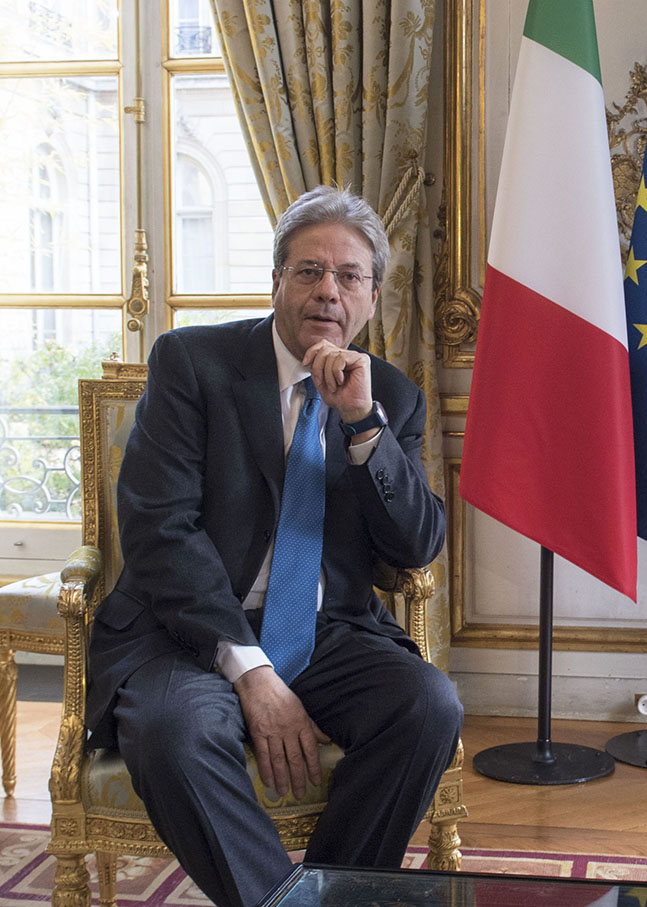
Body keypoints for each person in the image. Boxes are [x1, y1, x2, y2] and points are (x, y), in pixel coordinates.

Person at [85, 185, 463, 907]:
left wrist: (363, 427)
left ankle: (332, 891)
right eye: (308, 270)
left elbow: (414, 546)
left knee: (426, 706)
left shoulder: (391, 395)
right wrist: (249, 669)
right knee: (175, 733)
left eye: (348, 275)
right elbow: (159, 531)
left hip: (330, 632)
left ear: (372, 297)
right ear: (277, 283)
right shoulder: (192, 364)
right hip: (186, 631)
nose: (328, 290)